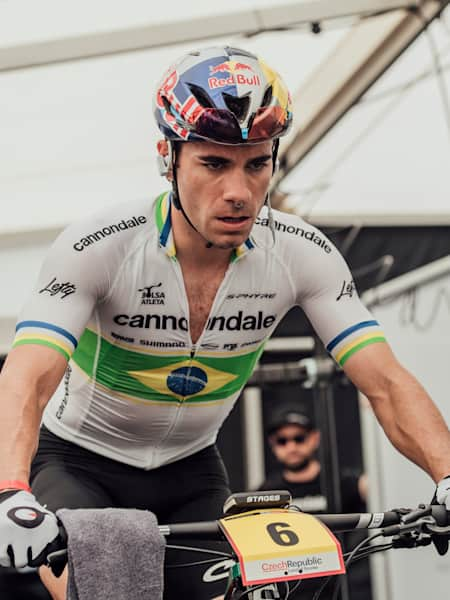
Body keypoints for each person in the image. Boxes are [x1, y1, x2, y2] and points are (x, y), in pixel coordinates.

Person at [0, 44, 450, 600]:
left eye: (256, 163)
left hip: (193, 472)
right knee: (111, 586)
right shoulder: (100, 244)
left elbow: (384, 381)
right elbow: (28, 374)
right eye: (213, 163)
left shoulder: (302, 252)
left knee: (295, 577)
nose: (238, 192)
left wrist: (446, 474)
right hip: (80, 466)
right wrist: (11, 491)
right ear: (169, 157)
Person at [259, 407, 370, 599]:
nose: (291, 447)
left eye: (299, 438)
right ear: (273, 444)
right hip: (289, 592)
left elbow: (381, 488)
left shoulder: (342, 482)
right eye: (282, 440)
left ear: (314, 438)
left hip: (341, 590)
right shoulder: (265, 494)